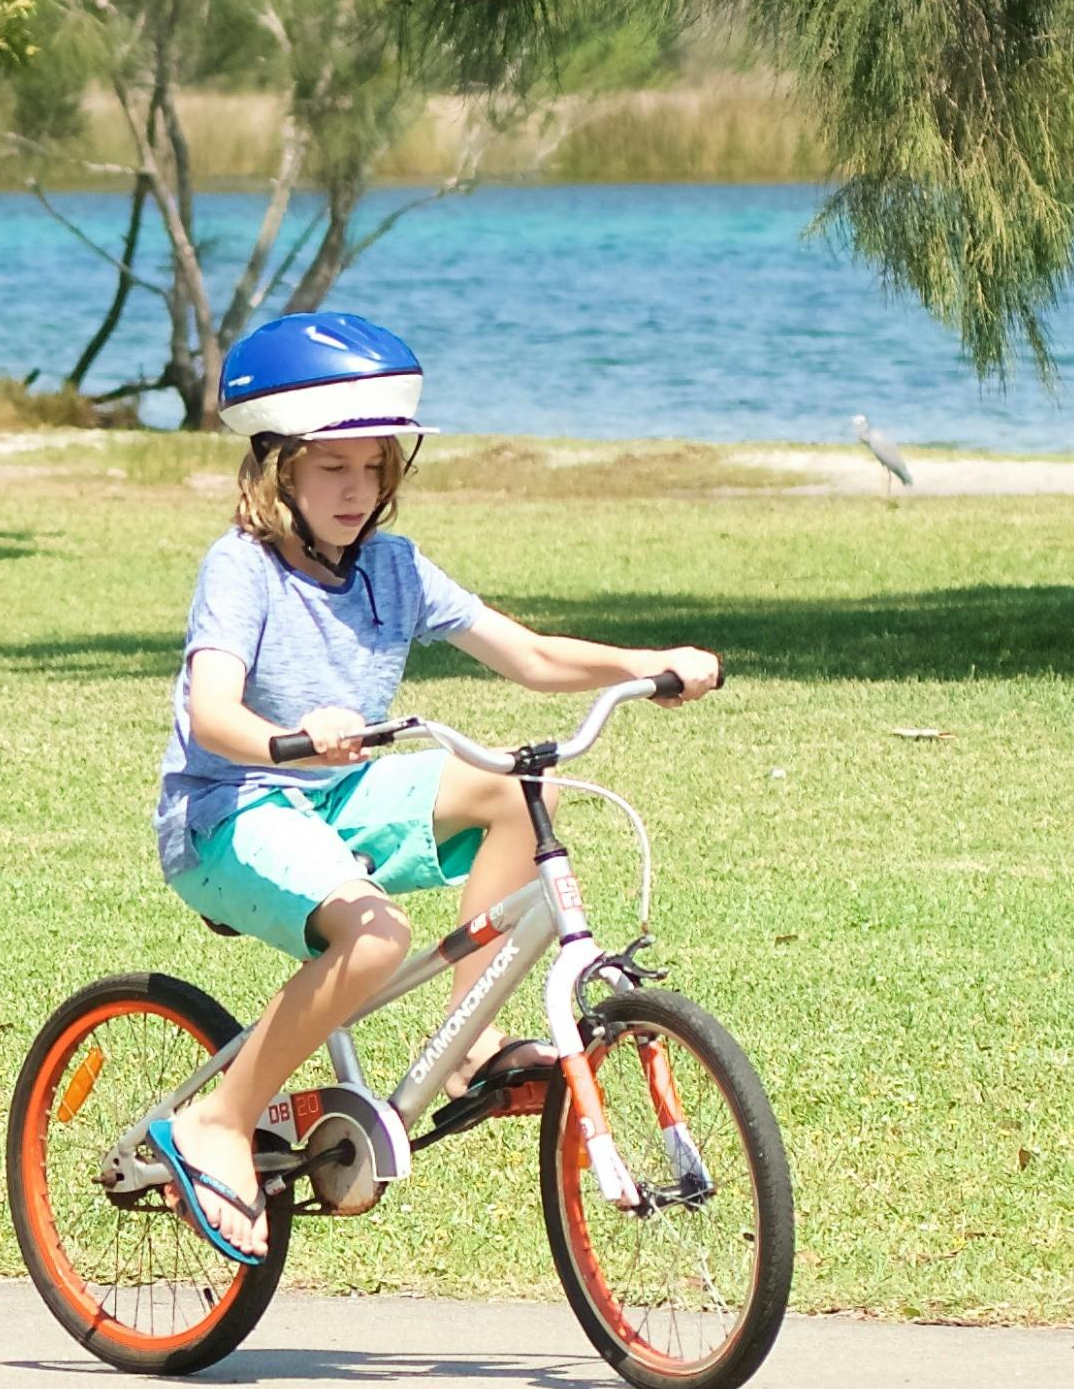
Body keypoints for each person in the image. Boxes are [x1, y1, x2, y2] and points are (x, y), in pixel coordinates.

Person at [143, 309, 725, 1266]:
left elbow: (529, 655)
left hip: (338, 797)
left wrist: (647, 663)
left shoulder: (393, 568)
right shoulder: (241, 570)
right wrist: (289, 743)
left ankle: (464, 1047)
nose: (358, 489)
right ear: (277, 468)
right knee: (377, 937)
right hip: (231, 811)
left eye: (376, 468)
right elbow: (213, 716)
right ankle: (218, 1121)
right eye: (334, 468)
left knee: (509, 789)